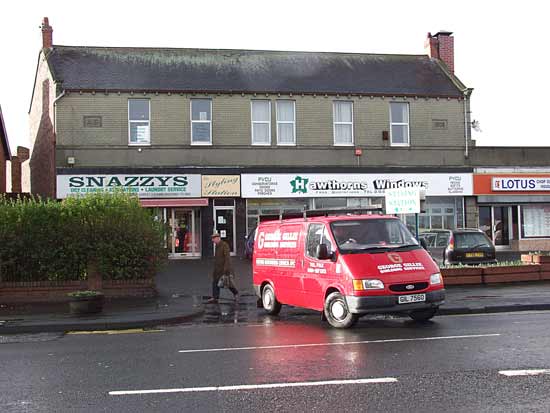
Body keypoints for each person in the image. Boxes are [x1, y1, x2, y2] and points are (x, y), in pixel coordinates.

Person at [207, 233, 239, 303]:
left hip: (224, 269)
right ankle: (215, 297)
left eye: (214, 239)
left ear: (218, 238)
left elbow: (227, 258)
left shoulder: (224, 245)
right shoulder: (217, 246)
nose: (213, 240)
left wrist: (226, 269)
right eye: (212, 239)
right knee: (215, 282)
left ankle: (236, 293)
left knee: (228, 283)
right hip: (217, 269)